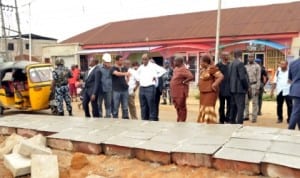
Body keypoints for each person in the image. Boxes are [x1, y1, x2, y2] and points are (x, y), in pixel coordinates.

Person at [135, 53, 166, 121]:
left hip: (150, 88)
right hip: (142, 88)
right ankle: (144, 118)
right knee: (143, 105)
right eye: (143, 59)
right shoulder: (141, 67)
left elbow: (163, 71)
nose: (144, 61)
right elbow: (136, 74)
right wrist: (139, 79)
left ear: (149, 59)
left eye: (145, 59)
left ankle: (152, 119)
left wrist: (156, 76)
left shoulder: (153, 66)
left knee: (151, 105)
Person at [197, 55, 224, 123]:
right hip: (203, 92)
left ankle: (210, 123)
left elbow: (221, 76)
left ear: (205, 62)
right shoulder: (203, 70)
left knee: (208, 108)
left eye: (201, 62)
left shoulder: (212, 68)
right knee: (203, 108)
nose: (200, 63)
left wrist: (214, 84)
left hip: (210, 93)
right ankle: (203, 122)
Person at [170, 55, 194, 122]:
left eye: (175, 61)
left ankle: (182, 121)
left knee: (181, 107)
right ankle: (179, 118)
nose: (173, 62)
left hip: (180, 92)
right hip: (175, 92)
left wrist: (184, 81)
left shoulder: (183, 69)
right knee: (177, 106)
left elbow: (191, 76)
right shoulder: (176, 69)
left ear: (179, 62)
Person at [228, 50, 249, 124]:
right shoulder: (240, 63)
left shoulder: (231, 64)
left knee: (233, 106)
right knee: (240, 107)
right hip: (239, 89)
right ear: (241, 55)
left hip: (232, 88)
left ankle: (232, 121)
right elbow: (242, 77)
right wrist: (246, 87)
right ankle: (239, 123)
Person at [111, 55, 130, 119]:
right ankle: (115, 120)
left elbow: (128, 76)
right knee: (116, 107)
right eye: (120, 60)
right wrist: (125, 74)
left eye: (122, 60)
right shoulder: (113, 68)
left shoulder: (125, 68)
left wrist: (127, 81)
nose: (122, 61)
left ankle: (125, 120)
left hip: (125, 90)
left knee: (125, 107)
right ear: (116, 61)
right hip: (116, 90)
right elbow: (117, 74)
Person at [244, 53, 261, 123]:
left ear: (254, 58)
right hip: (247, 86)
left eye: (252, 57)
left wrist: (257, 88)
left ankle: (254, 117)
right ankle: (246, 115)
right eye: (249, 57)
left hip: (254, 85)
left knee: (255, 102)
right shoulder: (245, 66)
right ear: (247, 58)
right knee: (246, 102)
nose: (250, 58)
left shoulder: (257, 66)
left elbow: (258, 78)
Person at [216, 51, 231, 124]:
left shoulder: (231, 65)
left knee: (229, 105)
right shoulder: (218, 66)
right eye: (225, 55)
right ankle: (221, 119)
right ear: (221, 56)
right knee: (221, 105)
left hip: (230, 88)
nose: (226, 57)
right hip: (221, 88)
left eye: (227, 55)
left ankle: (228, 119)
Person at [98, 53, 113, 118]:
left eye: (109, 62)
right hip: (100, 89)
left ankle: (108, 115)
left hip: (109, 89)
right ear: (103, 61)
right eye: (107, 62)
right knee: (99, 104)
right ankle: (100, 115)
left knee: (108, 104)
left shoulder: (112, 68)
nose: (108, 64)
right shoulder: (98, 67)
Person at [288, 58, 300, 130]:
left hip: (295, 89)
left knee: (297, 110)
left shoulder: (292, 63)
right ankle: (290, 129)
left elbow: (290, 78)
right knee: (296, 111)